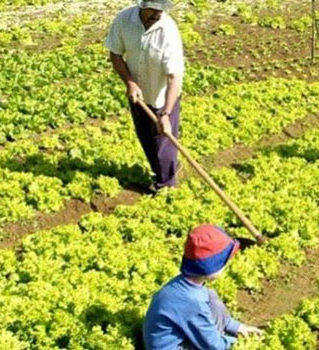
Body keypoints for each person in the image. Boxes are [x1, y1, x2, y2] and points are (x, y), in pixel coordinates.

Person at [105, 0, 184, 193]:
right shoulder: (124, 20)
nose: (158, 14)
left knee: (163, 143)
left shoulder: (168, 31)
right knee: (147, 139)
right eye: (154, 9)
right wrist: (130, 82)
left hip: (163, 96)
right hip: (138, 96)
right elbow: (115, 54)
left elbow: (175, 77)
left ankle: (166, 185)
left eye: (162, 10)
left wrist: (165, 113)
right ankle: (165, 171)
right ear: (142, 5)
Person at [143, 224, 263, 349]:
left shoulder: (184, 285)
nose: (227, 263)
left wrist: (238, 328)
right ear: (212, 267)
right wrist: (241, 344)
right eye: (224, 261)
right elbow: (214, 346)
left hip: (179, 335)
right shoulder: (191, 302)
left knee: (212, 298)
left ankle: (222, 332)